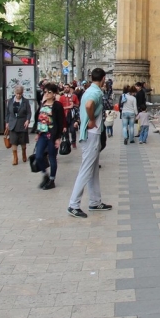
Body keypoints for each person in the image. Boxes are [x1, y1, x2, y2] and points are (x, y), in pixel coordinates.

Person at [67, 67, 112, 218]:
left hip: (90, 134)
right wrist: (92, 119)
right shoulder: (96, 92)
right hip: (91, 134)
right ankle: (73, 204)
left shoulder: (89, 90)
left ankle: (95, 201)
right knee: (86, 170)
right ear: (104, 78)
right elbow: (88, 105)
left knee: (92, 170)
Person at [34, 83, 65, 190]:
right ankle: (45, 175)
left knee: (52, 158)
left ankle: (52, 180)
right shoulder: (43, 103)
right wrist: (37, 132)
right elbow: (38, 118)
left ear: (54, 94)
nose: (46, 94)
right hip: (42, 134)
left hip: (52, 135)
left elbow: (60, 122)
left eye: (49, 92)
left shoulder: (57, 105)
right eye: (45, 92)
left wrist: (58, 137)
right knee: (38, 156)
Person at [4, 84, 32, 166]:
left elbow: (28, 112)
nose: (19, 95)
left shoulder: (25, 101)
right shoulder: (10, 101)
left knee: (23, 141)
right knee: (14, 141)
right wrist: (7, 122)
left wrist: (27, 120)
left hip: (22, 123)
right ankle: (15, 158)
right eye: (17, 94)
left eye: (20, 94)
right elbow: (8, 113)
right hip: (13, 123)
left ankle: (24, 153)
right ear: (15, 93)